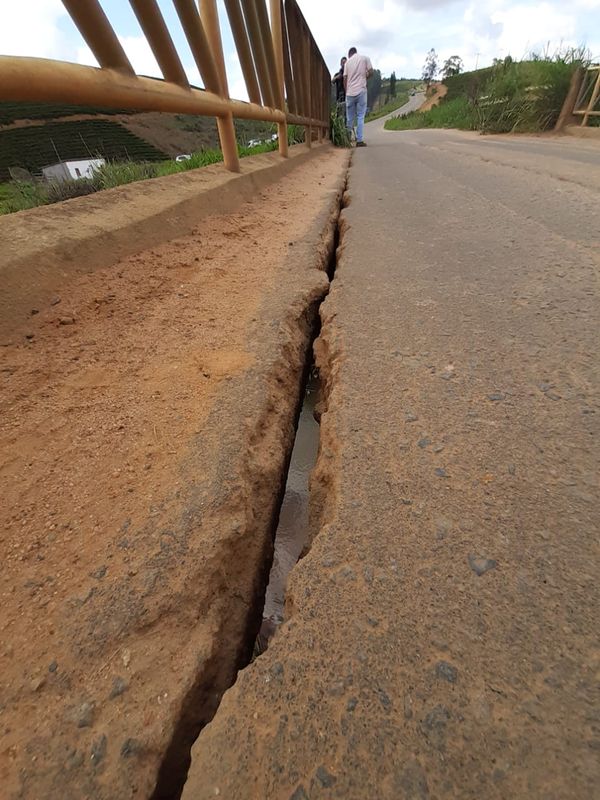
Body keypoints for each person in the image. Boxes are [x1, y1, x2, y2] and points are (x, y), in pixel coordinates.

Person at [343, 47, 373, 147]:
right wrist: (365, 77)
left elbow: (345, 79)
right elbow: (371, 71)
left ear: (350, 54)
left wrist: (347, 91)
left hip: (350, 93)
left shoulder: (347, 63)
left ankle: (347, 140)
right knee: (360, 116)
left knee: (349, 118)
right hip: (361, 91)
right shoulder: (365, 58)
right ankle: (359, 141)